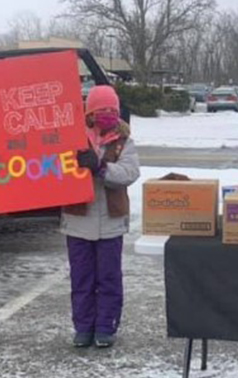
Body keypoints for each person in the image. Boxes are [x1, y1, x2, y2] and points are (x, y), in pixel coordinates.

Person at [62, 85, 140, 348]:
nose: (106, 114)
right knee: (81, 278)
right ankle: (83, 327)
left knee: (109, 277)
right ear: (89, 112)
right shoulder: (73, 138)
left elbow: (130, 172)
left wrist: (101, 167)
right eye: (100, 109)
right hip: (78, 221)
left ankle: (106, 326)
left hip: (111, 222)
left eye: (111, 109)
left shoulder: (124, 142)